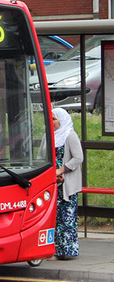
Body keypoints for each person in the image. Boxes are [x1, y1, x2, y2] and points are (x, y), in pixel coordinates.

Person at [50, 108, 83, 260]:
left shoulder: (70, 135)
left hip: (67, 186)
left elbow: (78, 158)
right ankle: (54, 249)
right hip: (52, 184)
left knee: (67, 219)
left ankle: (68, 250)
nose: (53, 122)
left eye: (55, 119)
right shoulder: (49, 137)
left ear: (62, 120)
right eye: (51, 119)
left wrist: (61, 170)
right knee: (54, 218)